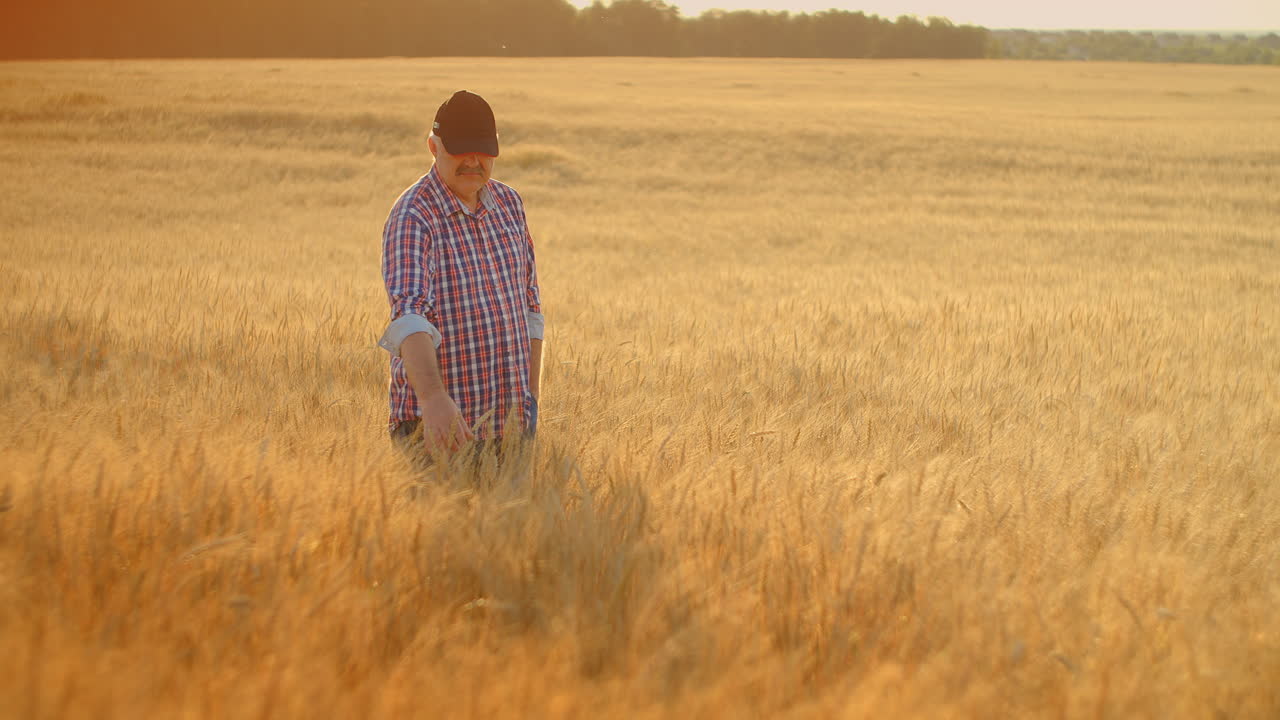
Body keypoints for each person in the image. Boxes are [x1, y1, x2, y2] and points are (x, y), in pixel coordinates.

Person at [378, 90, 544, 463]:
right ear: (433, 147)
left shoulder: (509, 205)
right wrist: (434, 399)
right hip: (438, 430)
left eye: (483, 151)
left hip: (511, 427)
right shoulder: (414, 216)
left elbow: (530, 308)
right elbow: (409, 316)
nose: (472, 161)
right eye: (460, 150)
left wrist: (530, 398)